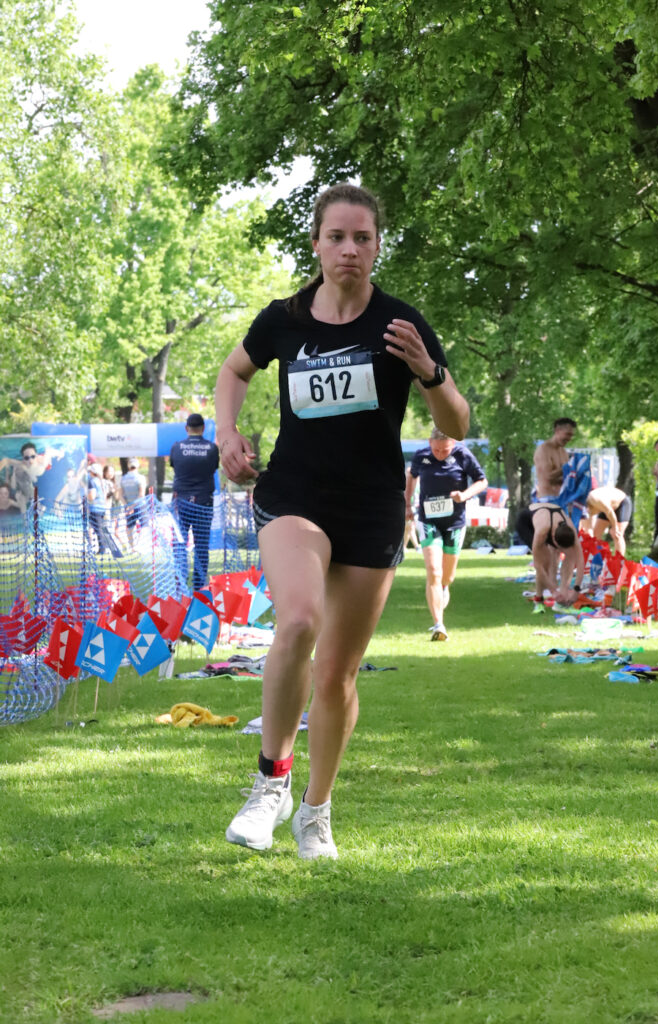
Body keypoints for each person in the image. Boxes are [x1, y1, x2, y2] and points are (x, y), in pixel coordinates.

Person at [215, 183, 470, 860]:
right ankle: (270, 783)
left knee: (335, 674)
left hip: (371, 507)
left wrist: (429, 371)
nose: (349, 249)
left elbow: (455, 422)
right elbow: (234, 371)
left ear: (378, 246)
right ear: (316, 244)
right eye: (336, 237)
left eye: (362, 238)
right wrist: (227, 433)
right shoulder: (284, 319)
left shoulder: (400, 323)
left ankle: (315, 813)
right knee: (298, 620)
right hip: (294, 494)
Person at [405, 427, 487, 641]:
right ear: (429, 442)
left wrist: (464, 495)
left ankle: (444, 587)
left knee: (447, 576)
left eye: (445, 450)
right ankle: (438, 625)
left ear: (453, 444)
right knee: (434, 570)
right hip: (428, 520)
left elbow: (482, 481)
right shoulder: (421, 456)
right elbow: (411, 476)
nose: (440, 454)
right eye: (436, 450)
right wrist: (407, 504)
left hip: (454, 523)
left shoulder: (462, 454)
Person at [169, 413, 219, 590]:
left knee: (180, 544)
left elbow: (174, 466)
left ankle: (181, 583)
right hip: (204, 503)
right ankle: (198, 586)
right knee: (201, 546)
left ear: (186, 428)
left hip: (181, 502)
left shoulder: (177, 447)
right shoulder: (212, 448)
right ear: (203, 428)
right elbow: (213, 468)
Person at [515, 502, 584, 609]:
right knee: (544, 560)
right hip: (526, 523)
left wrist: (576, 590)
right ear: (553, 537)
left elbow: (580, 561)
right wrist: (553, 591)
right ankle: (538, 598)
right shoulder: (542, 532)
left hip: (550, 517)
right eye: (559, 547)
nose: (560, 550)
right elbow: (538, 566)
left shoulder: (571, 531)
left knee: (571, 554)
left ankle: (564, 591)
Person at [533, 418, 577, 502]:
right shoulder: (543, 449)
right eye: (568, 434)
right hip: (546, 499)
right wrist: (568, 466)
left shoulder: (563, 452)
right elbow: (547, 477)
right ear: (557, 431)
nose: (569, 438)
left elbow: (565, 477)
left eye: (571, 435)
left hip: (562, 499)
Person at [87, 461, 122, 558]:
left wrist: (85, 497)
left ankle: (106, 550)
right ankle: (101, 549)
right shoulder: (102, 481)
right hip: (103, 508)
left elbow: (92, 496)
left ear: (92, 472)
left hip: (96, 508)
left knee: (101, 530)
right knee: (99, 529)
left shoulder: (92, 481)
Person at [585, 485, 631, 557]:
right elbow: (588, 528)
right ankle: (595, 558)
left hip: (621, 503)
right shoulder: (584, 505)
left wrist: (615, 527)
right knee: (596, 534)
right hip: (606, 508)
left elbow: (610, 512)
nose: (591, 514)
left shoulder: (597, 500)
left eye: (591, 513)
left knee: (617, 534)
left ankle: (619, 560)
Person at [119, 457, 147, 549]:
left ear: (128, 466)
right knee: (144, 526)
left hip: (128, 506)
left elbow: (120, 495)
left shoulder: (123, 478)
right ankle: (139, 546)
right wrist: (133, 506)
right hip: (140, 505)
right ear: (137, 466)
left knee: (130, 527)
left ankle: (132, 547)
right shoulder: (141, 478)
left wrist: (127, 506)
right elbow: (141, 494)